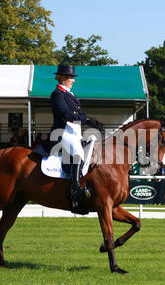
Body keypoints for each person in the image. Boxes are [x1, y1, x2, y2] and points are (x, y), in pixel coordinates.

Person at [42, 64, 104, 212]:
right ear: (62, 78)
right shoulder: (57, 94)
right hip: (62, 132)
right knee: (78, 154)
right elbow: (67, 115)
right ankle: (74, 189)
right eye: (70, 77)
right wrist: (88, 120)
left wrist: (87, 118)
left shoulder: (71, 95)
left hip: (74, 132)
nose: (73, 80)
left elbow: (78, 114)